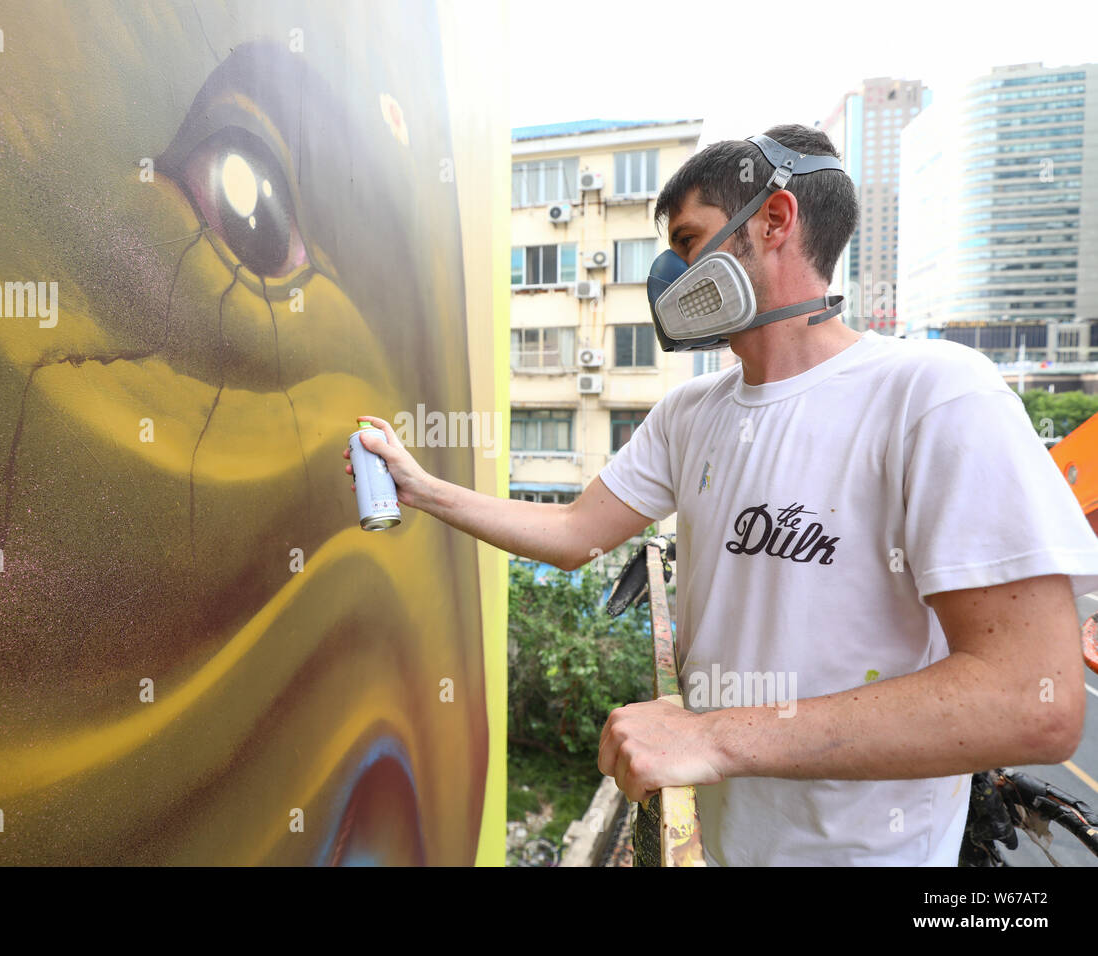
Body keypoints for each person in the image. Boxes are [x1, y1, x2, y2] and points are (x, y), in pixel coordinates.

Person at [343, 123, 1098, 865]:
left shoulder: (933, 395)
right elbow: (577, 532)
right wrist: (419, 488)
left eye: (687, 240)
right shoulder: (690, 413)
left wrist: (712, 736)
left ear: (773, 220)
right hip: (723, 848)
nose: (670, 275)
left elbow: (1031, 698)